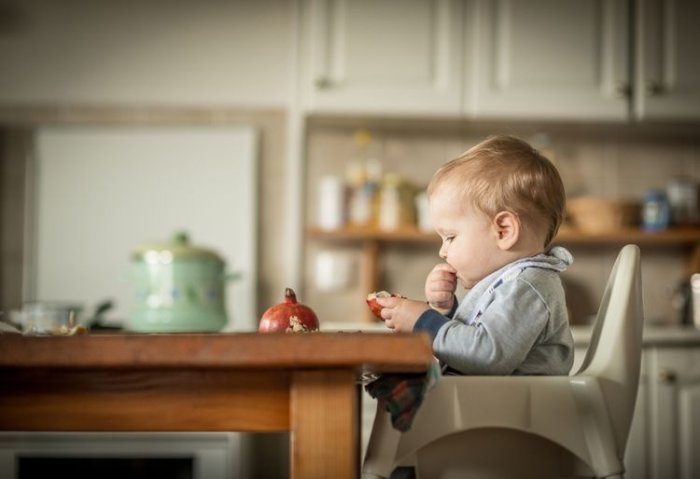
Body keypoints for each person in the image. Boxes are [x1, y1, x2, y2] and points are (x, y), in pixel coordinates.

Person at [376, 134, 574, 376]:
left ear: (504, 230)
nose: (443, 251)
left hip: (514, 412)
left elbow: (486, 355)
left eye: (450, 237)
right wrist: (445, 310)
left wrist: (425, 322)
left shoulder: (526, 286)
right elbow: (471, 344)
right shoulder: (513, 283)